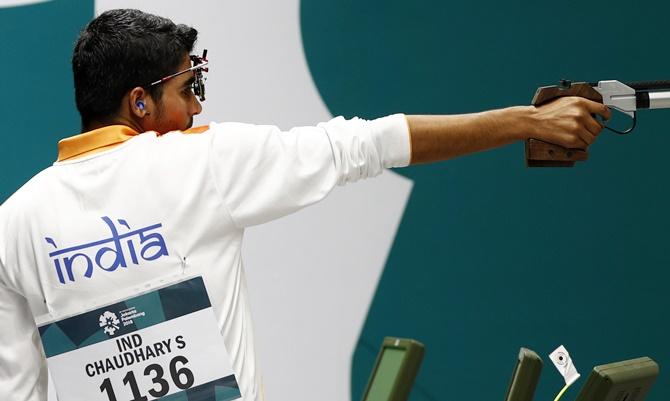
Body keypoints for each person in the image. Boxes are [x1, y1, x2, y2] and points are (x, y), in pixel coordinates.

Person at [0, 8, 610, 401]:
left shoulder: (14, 221)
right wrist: (528, 121)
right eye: (191, 88)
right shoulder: (199, 160)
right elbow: (369, 144)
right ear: (139, 103)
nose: (198, 108)